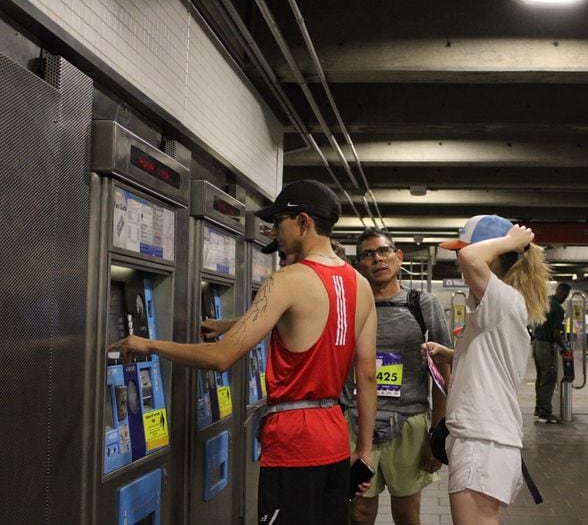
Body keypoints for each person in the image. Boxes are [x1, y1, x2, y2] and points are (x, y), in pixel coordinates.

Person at [110, 179, 377, 525]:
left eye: (280, 221)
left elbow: (221, 357)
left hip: (293, 441)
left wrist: (147, 343)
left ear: (303, 222)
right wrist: (364, 451)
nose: (275, 232)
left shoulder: (288, 280)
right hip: (335, 438)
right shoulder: (361, 285)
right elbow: (366, 374)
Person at [423, 215, 549, 525]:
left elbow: (469, 257)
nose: (458, 258)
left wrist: (512, 241)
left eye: (461, 249)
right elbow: (492, 358)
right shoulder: (499, 302)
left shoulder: (502, 299)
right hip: (484, 439)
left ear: (491, 257)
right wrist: (450, 355)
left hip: (483, 443)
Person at [341, 227, 452, 525]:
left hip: (409, 423)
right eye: (367, 254)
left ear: (398, 257)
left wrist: (437, 433)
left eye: (384, 251)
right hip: (354, 421)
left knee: (406, 513)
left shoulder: (422, 304)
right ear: (358, 264)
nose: (377, 259)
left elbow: (442, 369)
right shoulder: (350, 307)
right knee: (359, 512)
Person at [532, 282, 571, 424]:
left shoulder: (545, 301)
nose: (565, 298)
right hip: (545, 345)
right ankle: (545, 412)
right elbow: (556, 334)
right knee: (549, 377)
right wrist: (565, 348)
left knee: (541, 376)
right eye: (565, 295)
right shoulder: (558, 308)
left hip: (536, 343)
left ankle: (538, 408)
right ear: (562, 292)